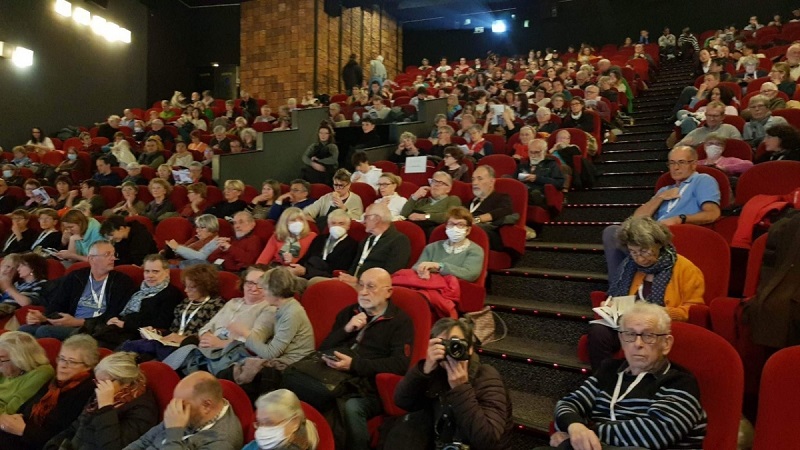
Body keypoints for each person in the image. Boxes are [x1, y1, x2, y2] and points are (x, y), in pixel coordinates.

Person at [546, 303, 706, 450]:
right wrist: (574, 427)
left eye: (648, 335)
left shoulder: (680, 383)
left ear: (666, 344)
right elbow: (569, 403)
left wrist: (582, 436)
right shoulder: (609, 370)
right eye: (630, 334)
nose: (638, 343)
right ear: (621, 340)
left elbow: (652, 435)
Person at [288, 268, 413, 450]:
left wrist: (354, 365)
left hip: (370, 386)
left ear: (388, 292)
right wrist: (346, 330)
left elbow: (399, 365)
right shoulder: (349, 312)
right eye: (361, 285)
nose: (363, 292)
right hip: (334, 377)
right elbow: (323, 348)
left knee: (351, 407)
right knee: (299, 385)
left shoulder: (400, 321)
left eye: (371, 287)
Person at [590, 217, 705, 370]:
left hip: (658, 327)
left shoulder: (686, 269)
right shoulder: (629, 266)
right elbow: (618, 297)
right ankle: (603, 379)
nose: (639, 258)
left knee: (644, 335)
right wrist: (610, 306)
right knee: (598, 332)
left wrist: (660, 313)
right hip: (630, 325)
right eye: (633, 252)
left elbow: (694, 311)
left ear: (659, 244)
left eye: (644, 251)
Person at [388, 317, 512, 450]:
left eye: (456, 344)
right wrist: (423, 371)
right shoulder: (435, 370)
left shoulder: (485, 376)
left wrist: (460, 388)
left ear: (470, 349)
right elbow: (402, 401)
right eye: (442, 344)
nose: (450, 350)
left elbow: (489, 440)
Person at [603, 146, 720, 281]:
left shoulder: (703, 180)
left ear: (693, 164)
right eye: (672, 163)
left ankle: (625, 284)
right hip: (653, 235)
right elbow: (637, 218)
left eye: (681, 162)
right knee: (613, 233)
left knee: (619, 237)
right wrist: (660, 198)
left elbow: (713, 213)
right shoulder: (665, 189)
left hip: (678, 235)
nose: (675, 168)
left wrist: (680, 219)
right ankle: (620, 286)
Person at [161, 266, 277, 377]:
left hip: (231, 356)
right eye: (250, 283)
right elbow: (206, 327)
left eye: (260, 284)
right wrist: (205, 337)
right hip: (207, 349)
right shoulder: (233, 302)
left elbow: (256, 341)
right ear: (243, 283)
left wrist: (221, 343)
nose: (254, 288)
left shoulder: (269, 309)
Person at [22, 241, 138, 340]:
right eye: (107, 254)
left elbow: (114, 315)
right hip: (70, 323)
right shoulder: (76, 277)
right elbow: (57, 304)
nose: (113, 258)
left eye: (114, 254)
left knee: (44, 331)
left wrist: (78, 322)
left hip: (94, 330)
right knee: (24, 330)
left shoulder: (122, 282)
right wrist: (44, 317)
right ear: (92, 259)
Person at [0, 334, 98, 450]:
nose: (63, 365)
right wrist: (15, 420)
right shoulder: (56, 383)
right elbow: (26, 408)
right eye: (62, 358)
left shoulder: (86, 391)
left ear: (88, 366)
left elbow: (63, 435)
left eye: (72, 362)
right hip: (20, 434)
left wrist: (24, 431)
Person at [45, 352, 159, 450]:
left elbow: (112, 447)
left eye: (104, 382)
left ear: (126, 382)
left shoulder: (143, 409)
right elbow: (77, 425)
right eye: (97, 381)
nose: (98, 387)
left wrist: (106, 407)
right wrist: (53, 444)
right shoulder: (105, 391)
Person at [120, 264, 225, 360]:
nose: (186, 290)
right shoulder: (185, 302)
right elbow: (173, 329)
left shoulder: (216, 305)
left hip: (190, 347)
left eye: (191, 287)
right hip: (171, 343)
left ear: (205, 286)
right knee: (135, 349)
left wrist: (183, 339)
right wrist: (157, 332)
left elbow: (209, 336)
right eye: (186, 286)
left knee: (139, 349)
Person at [395, 207, 485, 318]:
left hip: (452, 292)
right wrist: (422, 270)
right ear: (446, 227)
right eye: (451, 224)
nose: (455, 228)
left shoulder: (475, 250)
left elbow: (470, 274)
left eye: (460, 225)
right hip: (425, 286)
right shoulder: (432, 247)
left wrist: (439, 266)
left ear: (468, 230)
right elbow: (417, 266)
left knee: (417, 302)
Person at [123, 371, 241, 450]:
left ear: (206, 406)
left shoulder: (222, 442)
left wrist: (174, 432)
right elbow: (145, 441)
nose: (176, 408)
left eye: (182, 405)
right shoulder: (191, 412)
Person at [87, 254, 184, 349]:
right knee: (88, 328)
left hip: (136, 334)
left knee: (93, 343)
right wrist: (111, 318)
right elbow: (116, 306)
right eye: (147, 271)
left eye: (155, 272)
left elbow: (162, 323)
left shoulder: (171, 294)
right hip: (115, 326)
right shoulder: (137, 288)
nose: (150, 275)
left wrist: (125, 324)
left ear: (166, 272)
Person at [336, 204, 411, 286]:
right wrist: (347, 277)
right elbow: (355, 265)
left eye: (366, 217)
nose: (363, 221)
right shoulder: (367, 240)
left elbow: (391, 273)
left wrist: (358, 280)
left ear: (376, 219)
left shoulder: (399, 240)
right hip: (355, 283)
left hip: (373, 287)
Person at [291, 209, 359, 283]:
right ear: (328, 225)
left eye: (341, 224)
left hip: (327, 279)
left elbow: (338, 270)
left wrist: (306, 271)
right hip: (306, 273)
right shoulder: (319, 238)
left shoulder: (352, 245)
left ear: (348, 226)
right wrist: (295, 267)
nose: (337, 226)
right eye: (333, 223)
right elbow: (306, 257)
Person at [243, 389, 319, 450]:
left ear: (294, 423)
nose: (262, 430)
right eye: (259, 423)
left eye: (269, 423)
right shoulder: (256, 445)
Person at [0, 332, 54, 414]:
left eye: (1, 359)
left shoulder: (42, 373)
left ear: (19, 360)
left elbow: (10, 411)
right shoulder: (6, 369)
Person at [399, 171, 462, 236]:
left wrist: (425, 216)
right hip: (411, 228)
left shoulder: (452, 199)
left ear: (448, 189)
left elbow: (450, 216)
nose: (436, 185)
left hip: (430, 230)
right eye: (434, 181)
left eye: (441, 183)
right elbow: (404, 214)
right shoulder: (423, 201)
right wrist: (415, 196)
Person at [468, 166, 516, 251]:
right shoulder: (471, 202)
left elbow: (505, 210)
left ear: (491, 182)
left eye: (479, 179)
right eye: (473, 179)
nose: (474, 183)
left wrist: (477, 219)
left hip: (489, 235)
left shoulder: (501, 197)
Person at [516, 139, 565, 206]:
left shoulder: (551, 164)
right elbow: (514, 179)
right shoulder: (523, 164)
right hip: (523, 191)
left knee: (535, 193)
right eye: (531, 152)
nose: (533, 155)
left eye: (537, 152)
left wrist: (537, 178)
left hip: (541, 193)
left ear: (544, 152)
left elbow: (559, 183)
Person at [675, 101, 742, 148]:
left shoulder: (730, 130)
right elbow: (676, 149)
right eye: (709, 115)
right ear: (705, 115)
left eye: (715, 116)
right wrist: (683, 144)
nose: (711, 119)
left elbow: (740, 148)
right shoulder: (696, 132)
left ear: (723, 117)